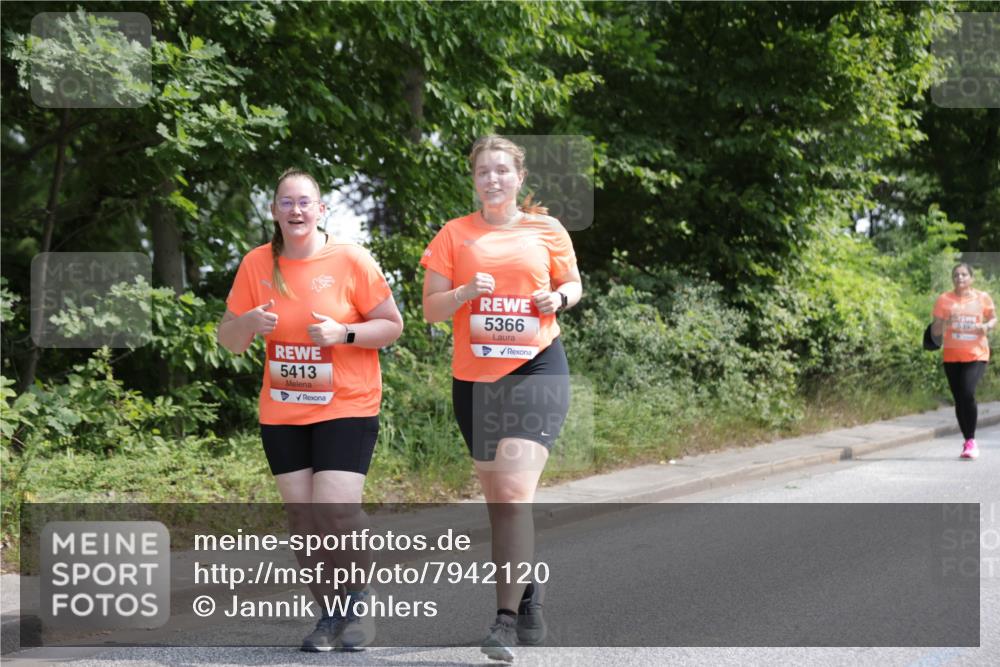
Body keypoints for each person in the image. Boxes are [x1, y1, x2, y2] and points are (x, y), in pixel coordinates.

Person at [218, 168, 403, 651]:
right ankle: (329, 615)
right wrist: (251, 322)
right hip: (282, 410)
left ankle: (360, 600)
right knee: (303, 519)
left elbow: (391, 325)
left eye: (305, 202)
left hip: (347, 402)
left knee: (335, 511)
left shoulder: (350, 259)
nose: (296, 210)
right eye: (286, 202)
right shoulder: (257, 264)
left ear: (321, 210)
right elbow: (229, 340)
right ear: (274, 211)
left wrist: (344, 333)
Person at [421, 136, 583, 662]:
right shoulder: (454, 235)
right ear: (474, 180)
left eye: (502, 171)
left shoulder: (547, 229)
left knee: (513, 492)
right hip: (475, 379)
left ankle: (504, 622)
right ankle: (528, 588)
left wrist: (555, 297)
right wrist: (464, 294)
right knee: (499, 505)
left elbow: (573, 284)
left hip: (537, 366)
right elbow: (430, 309)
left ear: (519, 178)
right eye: (483, 172)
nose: (492, 180)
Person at [931, 263, 995, 460]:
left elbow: (993, 318)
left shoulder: (982, 297)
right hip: (952, 355)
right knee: (959, 398)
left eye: (964, 275)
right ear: (953, 279)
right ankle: (967, 441)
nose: (960, 278)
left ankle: (972, 440)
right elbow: (935, 332)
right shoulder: (944, 300)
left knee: (967, 392)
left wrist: (986, 326)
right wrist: (943, 323)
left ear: (971, 278)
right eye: (956, 275)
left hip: (976, 354)